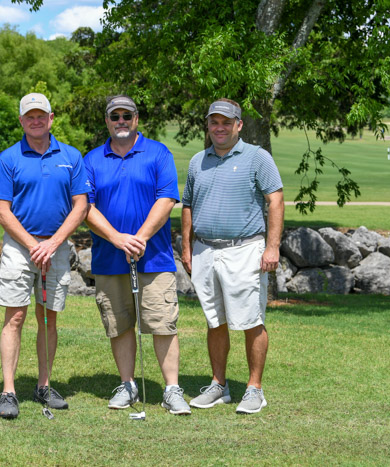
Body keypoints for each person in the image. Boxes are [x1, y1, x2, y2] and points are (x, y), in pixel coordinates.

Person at [83, 94, 191, 415]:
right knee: (119, 324)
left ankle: (172, 389)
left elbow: (167, 198)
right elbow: (84, 206)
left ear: (136, 119)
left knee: (162, 323)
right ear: (107, 121)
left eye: (126, 116)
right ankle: (127, 385)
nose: (120, 121)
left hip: (154, 257)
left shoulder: (158, 153)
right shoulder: (91, 160)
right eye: (114, 116)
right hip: (109, 257)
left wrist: (140, 238)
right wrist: (117, 239)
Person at [0, 93, 89, 420]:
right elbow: (2, 211)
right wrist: (34, 244)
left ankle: (44, 385)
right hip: (20, 248)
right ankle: (8, 390)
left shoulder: (71, 156)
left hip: (57, 247)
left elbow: (81, 205)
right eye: (29, 116)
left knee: (48, 318)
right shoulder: (8, 158)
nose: (35, 120)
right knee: (15, 317)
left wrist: (54, 242)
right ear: (21, 121)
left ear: (51, 117)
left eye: (41, 115)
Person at [181, 98, 284, 414]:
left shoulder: (257, 157)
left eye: (226, 122)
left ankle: (254, 389)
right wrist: (186, 248)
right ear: (208, 126)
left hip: (244, 249)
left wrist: (272, 247)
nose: (220, 127)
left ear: (239, 124)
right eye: (214, 122)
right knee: (215, 321)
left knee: (251, 319)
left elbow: (276, 201)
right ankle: (219, 385)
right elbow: (187, 205)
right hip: (205, 250)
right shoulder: (198, 160)